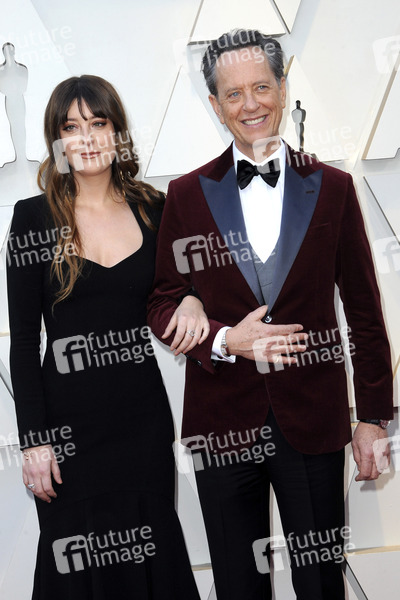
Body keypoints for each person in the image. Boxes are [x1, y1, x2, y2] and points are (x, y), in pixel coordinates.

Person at [147, 30, 393, 600]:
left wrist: (374, 419)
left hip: (314, 420)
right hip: (221, 424)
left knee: (321, 584)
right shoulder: (185, 195)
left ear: (282, 89)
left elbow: (364, 311)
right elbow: (162, 303)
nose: (250, 104)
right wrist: (224, 339)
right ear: (215, 106)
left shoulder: (333, 187)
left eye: (261, 87)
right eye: (233, 94)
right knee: (238, 587)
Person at [7, 74, 207, 600]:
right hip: (66, 431)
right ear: (56, 139)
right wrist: (34, 441)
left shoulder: (155, 209)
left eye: (98, 123)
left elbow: (181, 288)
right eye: (71, 127)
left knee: (150, 558)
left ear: (118, 132)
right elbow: (23, 342)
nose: (87, 138)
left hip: (141, 423)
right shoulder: (32, 218)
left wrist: (192, 298)